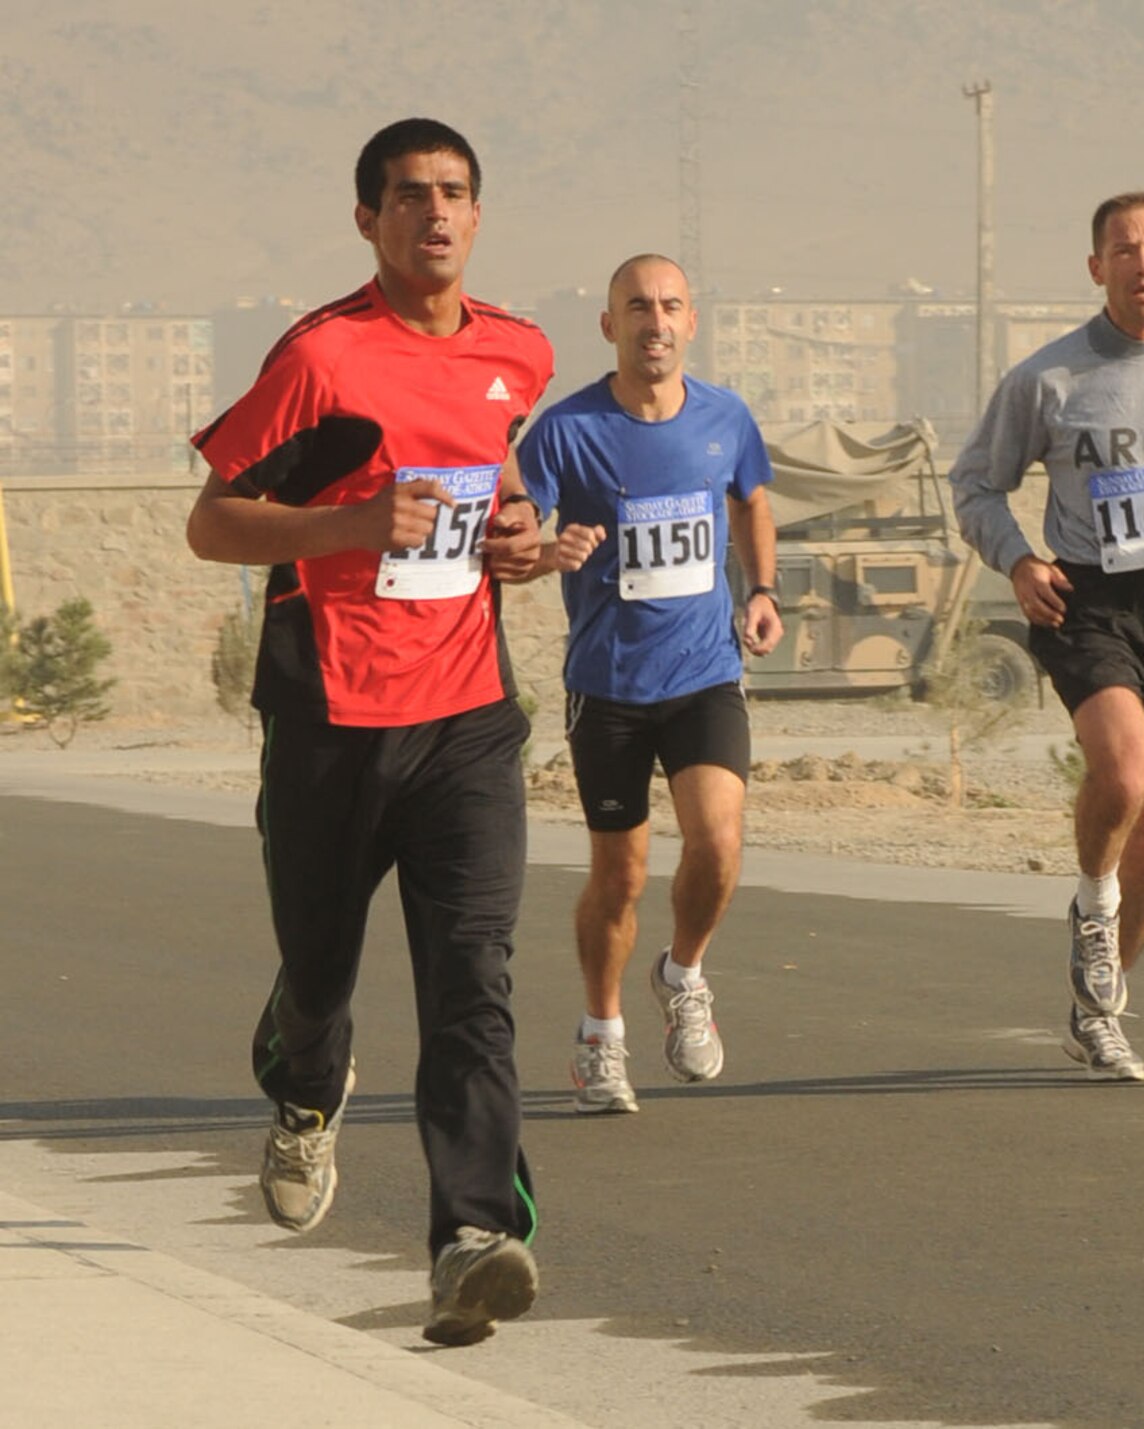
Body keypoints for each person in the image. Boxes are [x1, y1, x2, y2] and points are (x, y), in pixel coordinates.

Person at [185, 117, 551, 1345]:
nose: (432, 215)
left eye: (452, 194)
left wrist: (520, 539)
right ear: (366, 221)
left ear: (478, 215)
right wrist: (346, 528)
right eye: (407, 197)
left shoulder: (519, 351)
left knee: (472, 984)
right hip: (332, 718)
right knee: (325, 974)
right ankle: (302, 1083)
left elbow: (492, 487)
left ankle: (470, 1237)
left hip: (466, 721)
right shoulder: (321, 357)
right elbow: (214, 520)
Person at [951, 192, 1144, 1081]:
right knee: (1124, 770)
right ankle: (1094, 903)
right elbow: (976, 484)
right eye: (1123, 249)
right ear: (1096, 268)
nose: (1141, 263)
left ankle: (1101, 1006)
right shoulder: (1047, 379)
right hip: (1085, 599)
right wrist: (1017, 561)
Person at [512, 254, 781, 1114]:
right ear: (609, 326)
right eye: (636, 307)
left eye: (669, 306)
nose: (654, 321)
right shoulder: (566, 430)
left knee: (719, 841)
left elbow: (751, 498)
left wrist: (764, 588)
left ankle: (684, 972)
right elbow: (512, 528)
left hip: (704, 672)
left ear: (691, 323)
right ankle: (601, 1034)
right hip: (609, 685)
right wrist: (546, 552)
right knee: (620, 876)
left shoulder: (726, 417)